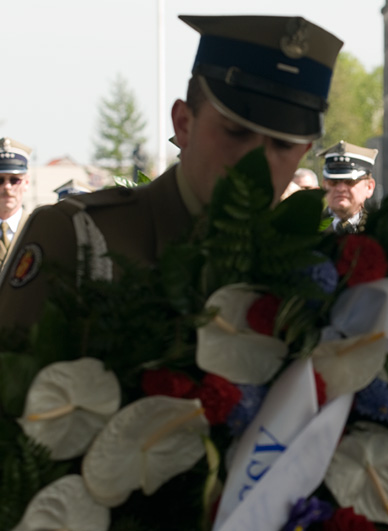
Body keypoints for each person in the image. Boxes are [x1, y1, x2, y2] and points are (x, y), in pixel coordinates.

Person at [0, 15, 343, 330]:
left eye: (283, 145)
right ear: (183, 124)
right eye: (236, 132)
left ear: (304, 152)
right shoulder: (80, 237)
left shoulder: (321, 265)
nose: (256, 160)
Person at [319, 140, 378, 234]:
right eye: (333, 182)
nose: (340, 188)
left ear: (369, 187)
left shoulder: (381, 228)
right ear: (324, 185)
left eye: (350, 182)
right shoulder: (306, 229)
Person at [0, 137, 32, 267]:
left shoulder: (37, 229)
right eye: (0, 180)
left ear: (26, 182)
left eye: (14, 180)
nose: (7, 186)